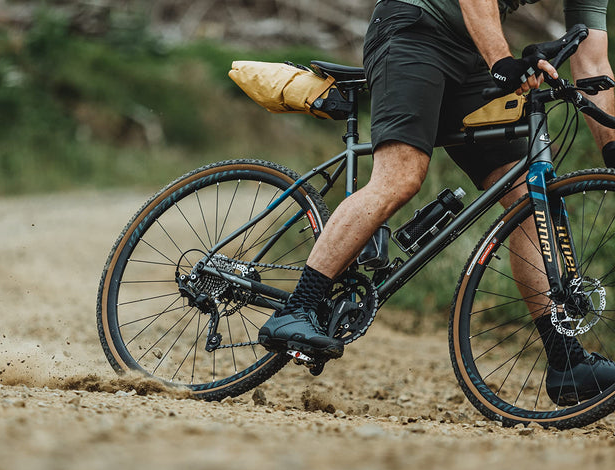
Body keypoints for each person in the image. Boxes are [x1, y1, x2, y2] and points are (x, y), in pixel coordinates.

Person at [258, 0, 615, 404]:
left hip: (470, 54)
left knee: (529, 200)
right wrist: (503, 61)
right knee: (402, 175)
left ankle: (567, 362)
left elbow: (594, 64)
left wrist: (611, 150)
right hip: (414, 31)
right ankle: (297, 308)